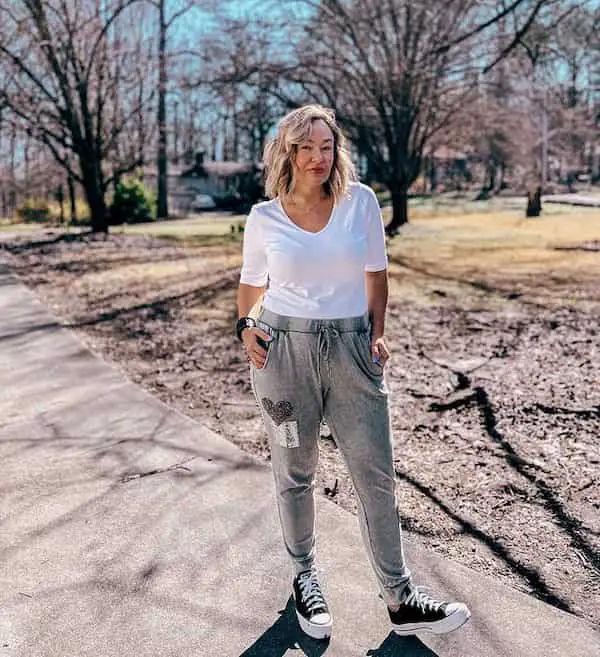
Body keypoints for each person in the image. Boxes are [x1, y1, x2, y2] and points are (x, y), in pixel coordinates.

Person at [236, 104, 470, 640]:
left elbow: (376, 274)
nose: (318, 157)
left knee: (376, 474)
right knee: (295, 471)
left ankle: (400, 597)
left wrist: (378, 331)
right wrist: (245, 325)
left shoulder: (359, 203)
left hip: (351, 349)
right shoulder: (264, 217)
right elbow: (251, 285)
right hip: (283, 355)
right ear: (287, 153)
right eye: (306, 147)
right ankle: (303, 577)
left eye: (326, 146)